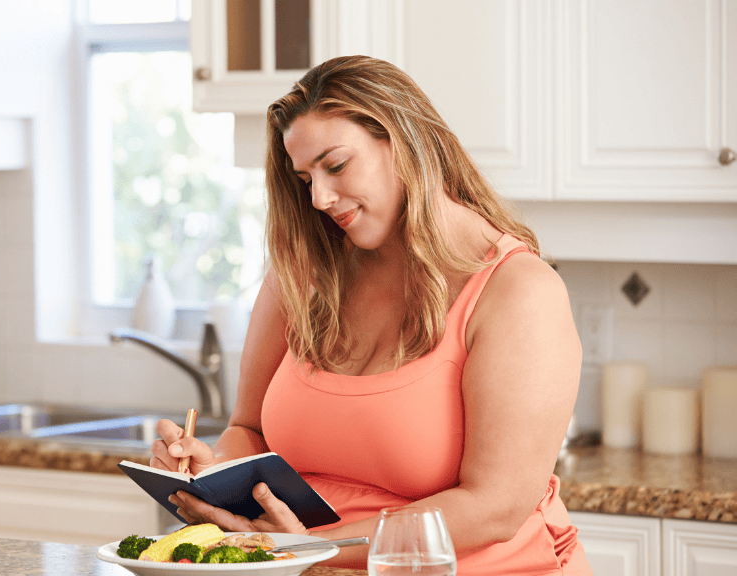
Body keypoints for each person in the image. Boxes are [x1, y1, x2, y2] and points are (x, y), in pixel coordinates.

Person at [150, 55, 592, 575]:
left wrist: (315, 548)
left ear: (404, 140)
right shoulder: (302, 274)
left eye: (335, 166)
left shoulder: (517, 290)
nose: (319, 197)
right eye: (305, 178)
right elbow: (250, 429)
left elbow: (494, 507)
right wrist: (213, 472)